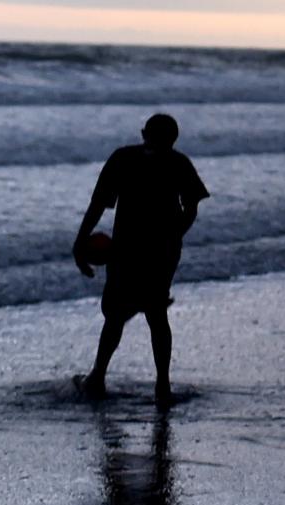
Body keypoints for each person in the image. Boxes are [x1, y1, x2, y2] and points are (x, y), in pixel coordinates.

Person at [74, 113, 209, 402]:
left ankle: (97, 377)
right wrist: (175, 236)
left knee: (115, 315)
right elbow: (192, 208)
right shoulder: (179, 162)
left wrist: (80, 242)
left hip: (126, 247)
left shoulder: (123, 158)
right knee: (156, 314)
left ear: (143, 132)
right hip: (164, 249)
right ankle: (163, 385)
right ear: (174, 139)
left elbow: (99, 204)